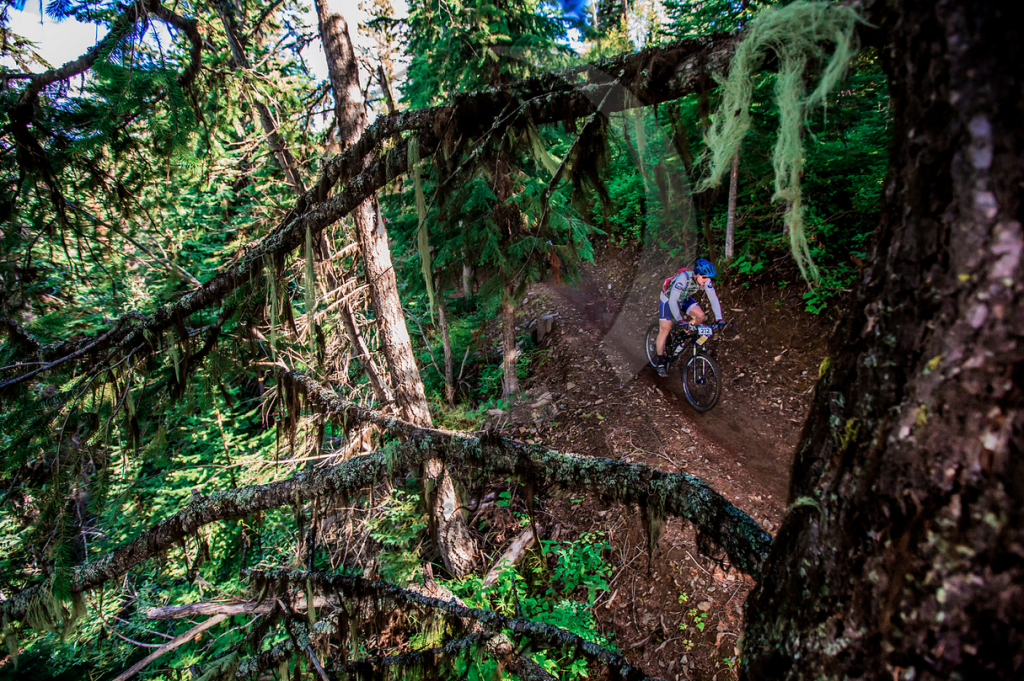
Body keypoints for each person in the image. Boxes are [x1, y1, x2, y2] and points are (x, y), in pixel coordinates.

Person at [655, 258, 723, 376]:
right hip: (668, 298)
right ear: (696, 274)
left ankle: (684, 334)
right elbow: (672, 301)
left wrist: (719, 319)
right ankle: (660, 361)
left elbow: (713, 299)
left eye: (708, 277)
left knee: (700, 316)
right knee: (665, 330)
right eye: (704, 277)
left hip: (683, 298)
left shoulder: (706, 281)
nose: (706, 280)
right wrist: (680, 319)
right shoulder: (683, 279)